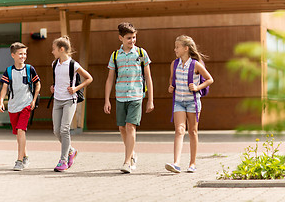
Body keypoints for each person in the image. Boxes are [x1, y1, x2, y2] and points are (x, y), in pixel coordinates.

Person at [104, 22, 154, 174]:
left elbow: (148, 77)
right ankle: (132, 154)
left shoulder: (141, 53)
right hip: (120, 96)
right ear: (120, 38)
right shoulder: (115, 55)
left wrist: (150, 99)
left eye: (134, 37)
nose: (132, 40)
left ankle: (127, 161)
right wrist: (106, 100)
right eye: (128, 38)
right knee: (122, 128)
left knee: (131, 126)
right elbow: (110, 79)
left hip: (136, 95)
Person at [165, 35, 213, 173]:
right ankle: (176, 163)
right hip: (178, 102)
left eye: (177, 47)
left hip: (193, 102)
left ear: (186, 48)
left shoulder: (196, 64)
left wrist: (198, 87)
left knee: (192, 131)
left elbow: (210, 79)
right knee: (179, 130)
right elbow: (171, 79)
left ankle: (192, 163)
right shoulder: (174, 64)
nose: (175, 49)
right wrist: (170, 87)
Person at [50, 36, 93, 172]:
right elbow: (58, 80)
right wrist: (53, 86)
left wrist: (75, 88)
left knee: (64, 129)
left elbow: (89, 78)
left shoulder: (73, 64)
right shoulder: (54, 64)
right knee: (56, 131)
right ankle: (71, 151)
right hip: (57, 100)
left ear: (61, 49)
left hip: (70, 100)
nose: (52, 52)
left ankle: (63, 160)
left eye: (54, 49)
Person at [0, 42, 41, 171]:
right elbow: (4, 87)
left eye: (25, 53)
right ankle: (26, 156)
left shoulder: (30, 69)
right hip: (13, 106)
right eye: (20, 54)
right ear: (13, 55)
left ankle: (19, 161)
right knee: (18, 134)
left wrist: (33, 100)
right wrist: (1, 101)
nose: (23, 56)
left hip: (26, 104)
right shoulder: (9, 71)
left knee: (21, 131)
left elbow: (38, 84)